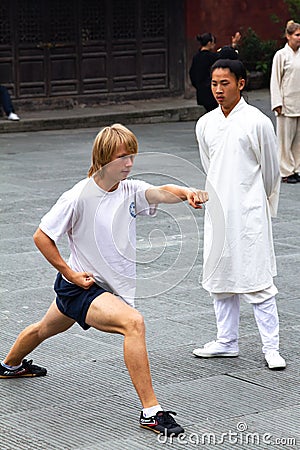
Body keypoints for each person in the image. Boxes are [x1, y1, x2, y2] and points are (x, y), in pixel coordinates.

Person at [0, 123, 208, 436]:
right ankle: (151, 412)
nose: (129, 164)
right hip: (82, 288)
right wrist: (69, 272)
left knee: (45, 328)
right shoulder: (78, 196)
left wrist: (187, 192)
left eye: (132, 157)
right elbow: (42, 236)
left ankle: (9, 365)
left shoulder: (131, 190)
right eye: (122, 158)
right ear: (102, 159)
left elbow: (162, 193)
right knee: (133, 323)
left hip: (99, 290)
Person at [193, 59, 286, 370]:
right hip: (219, 210)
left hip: (250, 212)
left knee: (256, 279)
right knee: (221, 278)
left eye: (225, 83)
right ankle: (226, 340)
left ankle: (271, 347)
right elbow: (210, 165)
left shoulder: (257, 122)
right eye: (214, 84)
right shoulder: (205, 124)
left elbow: (272, 171)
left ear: (241, 84)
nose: (219, 90)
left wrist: (259, 201)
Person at [270, 20, 300, 184]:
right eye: (297, 35)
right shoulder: (281, 55)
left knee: (298, 140)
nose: (299, 38)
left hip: (299, 102)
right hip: (286, 103)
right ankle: (286, 170)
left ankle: (297, 168)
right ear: (288, 36)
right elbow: (275, 80)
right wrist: (277, 102)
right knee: (284, 140)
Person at [189, 31, 241, 112]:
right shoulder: (211, 57)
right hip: (211, 92)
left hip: (201, 92)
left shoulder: (196, 57)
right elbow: (226, 54)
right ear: (209, 43)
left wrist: (199, 86)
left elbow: (192, 74)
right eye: (213, 42)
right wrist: (233, 45)